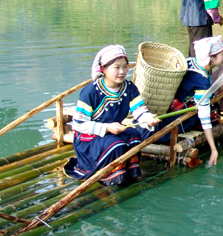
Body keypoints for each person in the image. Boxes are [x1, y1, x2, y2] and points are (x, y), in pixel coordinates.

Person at [63, 45, 160, 186]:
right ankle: (113, 178)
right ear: (103, 69)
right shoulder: (90, 92)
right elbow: (79, 125)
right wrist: (107, 128)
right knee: (116, 145)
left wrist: (147, 119)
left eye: (125, 67)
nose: (122, 72)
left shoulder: (129, 88)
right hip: (89, 138)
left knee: (134, 136)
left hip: (113, 133)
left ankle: (130, 173)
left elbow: (139, 110)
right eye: (116, 67)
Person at [137, 35, 223, 167]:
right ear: (211, 58)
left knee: (212, 104)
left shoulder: (189, 62)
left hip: (167, 106)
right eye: (222, 54)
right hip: (178, 117)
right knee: (210, 109)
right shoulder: (202, 82)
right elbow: (204, 117)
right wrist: (213, 149)